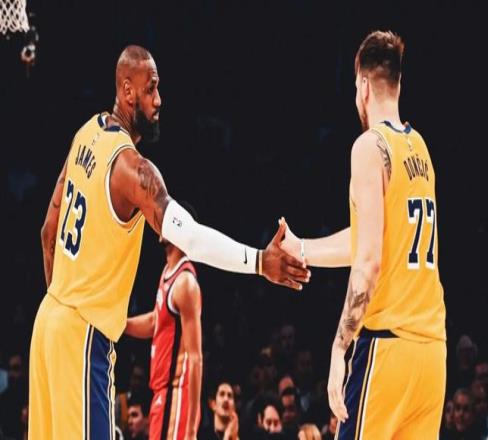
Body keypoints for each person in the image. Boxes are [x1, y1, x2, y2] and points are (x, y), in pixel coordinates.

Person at [29, 45, 310, 439]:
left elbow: (48, 231)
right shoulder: (133, 169)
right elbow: (190, 236)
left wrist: (61, 306)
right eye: (151, 89)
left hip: (47, 323)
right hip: (82, 333)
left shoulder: (86, 133)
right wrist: (261, 261)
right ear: (127, 90)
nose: (159, 100)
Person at [281, 30, 446, 438]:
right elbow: (370, 239)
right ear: (398, 85)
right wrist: (302, 249)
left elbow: (368, 261)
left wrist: (340, 346)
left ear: (363, 87)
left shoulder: (369, 147)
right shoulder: (420, 149)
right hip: (431, 355)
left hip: (387, 350)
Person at [125, 204, 202, 440]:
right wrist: (119, 324)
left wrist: (191, 428)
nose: (161, 223)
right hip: (161, 392)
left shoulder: (185, 283)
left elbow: (195, 358)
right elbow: (154, 322)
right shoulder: (168, 271)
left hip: (177, 393)